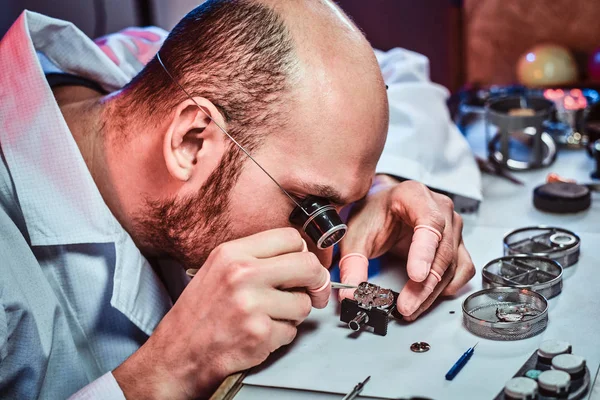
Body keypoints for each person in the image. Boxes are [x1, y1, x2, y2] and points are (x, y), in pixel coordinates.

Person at [0, 0, 476, 398]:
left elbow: (400, 72)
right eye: (309, 208)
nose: (323, 259)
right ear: (191, 142)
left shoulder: (162, 63)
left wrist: (378, 185)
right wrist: (164, 373)